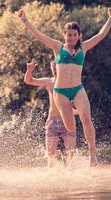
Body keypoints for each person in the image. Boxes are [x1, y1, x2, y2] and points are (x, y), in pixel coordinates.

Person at [18, 8, 111, 166]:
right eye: (69, 34)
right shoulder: (58, 47)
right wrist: (25, 20)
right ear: (64, 35)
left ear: (79, 35)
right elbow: (38, 35)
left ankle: (92, 155)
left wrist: (110, 18)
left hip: (77, 89)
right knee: (70, 127)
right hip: (60, 92)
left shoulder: (84, 47)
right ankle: (60, 161)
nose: (72, 37)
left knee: (86, 117)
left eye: (75, 34)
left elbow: (101, 35)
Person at [24, 59, 77, 167]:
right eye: (53, 67)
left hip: (68, 121)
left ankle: (71, 177)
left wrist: (81, 112)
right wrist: (29, 70)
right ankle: (53, 173)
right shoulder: (49, 82)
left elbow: (78, 104)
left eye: (57, 67)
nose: (55, 69)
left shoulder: (72, 83)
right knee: (50, 154)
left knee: (71, 154)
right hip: (52, 121)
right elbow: (28, 80)